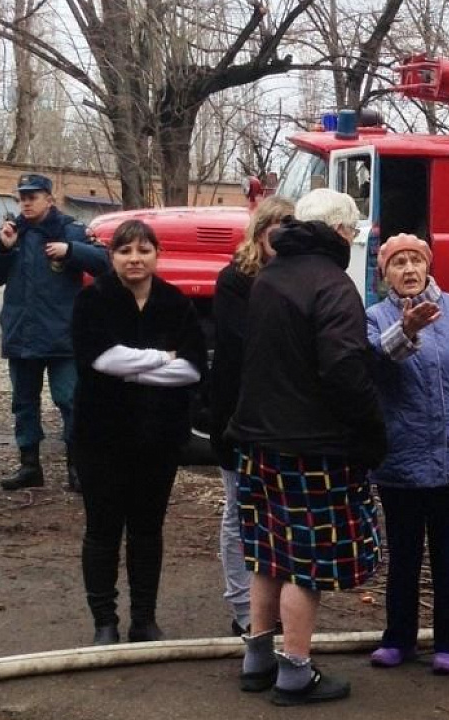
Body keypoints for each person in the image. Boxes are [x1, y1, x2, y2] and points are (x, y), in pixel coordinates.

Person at [227, 188, 386, 706]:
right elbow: (344, 368)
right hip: (312, 448)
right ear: (340, 231)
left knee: (267, 555)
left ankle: (258, 657)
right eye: (354, 230)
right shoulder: (332, 283)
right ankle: (295, 671)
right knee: (305, 564)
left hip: (259, 440)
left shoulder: (271, 277)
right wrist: (370, 431)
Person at [365, 233, 449, 675]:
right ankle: (399, 639)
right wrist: (405, 330)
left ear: (428, 266)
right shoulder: (373, 318)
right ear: (383, 272)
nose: (408, 270)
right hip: (402, 457)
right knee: (403, 558)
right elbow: (370, 364)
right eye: (397, 263)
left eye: (415, 261)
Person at [70, 219, 206, 644]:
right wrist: (161, 358)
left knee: (148, 530)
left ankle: (144, 619)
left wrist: (135, 369)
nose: (135, 259)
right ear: (112, 256)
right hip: (100, 437)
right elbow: (102, 360)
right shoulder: (93, 300)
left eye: (144, 250)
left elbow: (192, 369)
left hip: (158, 438)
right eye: (126, 251)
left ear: (156, 255)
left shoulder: (175, 302)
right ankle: (104, 621)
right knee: (103, 529)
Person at [0, 174, 109, 492]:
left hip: (63, 336)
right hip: (22, 335)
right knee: (23, 403)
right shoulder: (13, 232)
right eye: (22, 196)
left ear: (49, 199)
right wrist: (1, 248)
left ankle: (78, 468)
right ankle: (30, 466)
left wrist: (71, 251)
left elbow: (105, 263)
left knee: (71, 401)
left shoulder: (71, 230)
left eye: (33, 196)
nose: (26, 202)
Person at [209, 196, 294, 637]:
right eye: (273, 229)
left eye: (289, 230)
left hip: (283, 420)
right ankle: (243, 609)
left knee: (278, 516)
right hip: (238, 414)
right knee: (238, 513)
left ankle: (273, 609)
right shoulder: (234, 280)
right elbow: (248, 344)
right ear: (258, 231)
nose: (279, 239)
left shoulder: (299, 279)